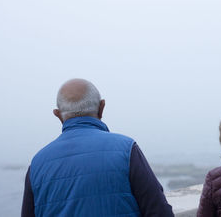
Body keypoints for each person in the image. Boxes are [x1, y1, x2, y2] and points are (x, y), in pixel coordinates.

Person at [21, 79, 174, 217]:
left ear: (58, 115)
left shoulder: (37, 164)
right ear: (102, 107)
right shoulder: (126, 150)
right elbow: (159, 211)